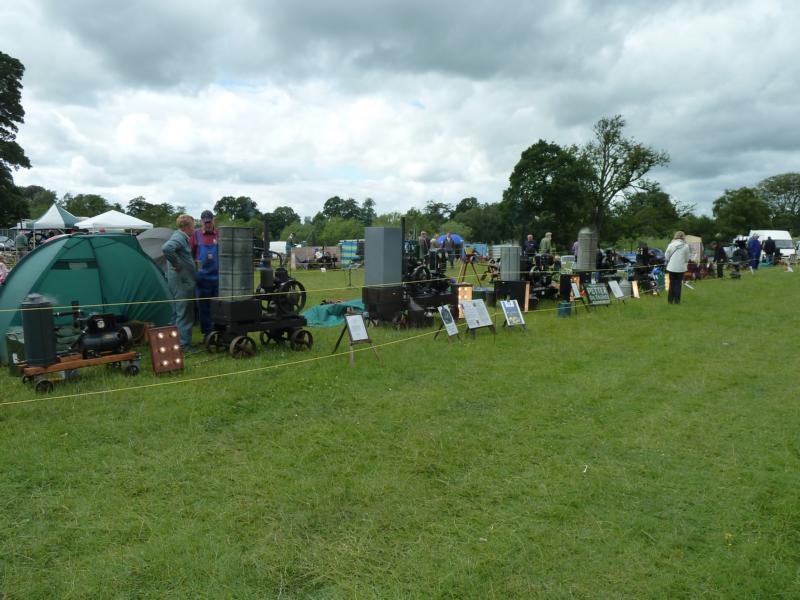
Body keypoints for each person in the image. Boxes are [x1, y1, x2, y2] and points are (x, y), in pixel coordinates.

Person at [162, 214, 197, 351]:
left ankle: (173, 342)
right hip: (181, 282)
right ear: (187, 226)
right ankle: (184, 345)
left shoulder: (180, 237)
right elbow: (167, 248)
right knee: (184, 313)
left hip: (179, 281)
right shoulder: (179, 237)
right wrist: (178, 264)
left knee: (177, 313)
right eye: (193, 226)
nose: (194, 229)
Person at [194, 210, 219, 338]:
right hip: (202, 278)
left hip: (218, 277)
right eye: (205, 222)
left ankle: (219, 329)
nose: (208, 224)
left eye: (210, 222)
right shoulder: (196, 234)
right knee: (204, 307)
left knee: (219, 306)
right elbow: (190, 253)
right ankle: (207, 334)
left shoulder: (219, 234)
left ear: (213, 220)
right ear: (202, 221)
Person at [664, 231, 690, 305]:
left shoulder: (671, 245)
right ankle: (677, 301)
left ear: (675, 236)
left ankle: (670, 301)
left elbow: (666, 255)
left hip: (671, 267)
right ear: (683, 237)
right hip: (681, 268)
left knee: (671, 284)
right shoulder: (686, 246)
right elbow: (687, 258)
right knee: (678, 284)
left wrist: (670, 260)